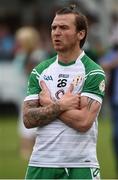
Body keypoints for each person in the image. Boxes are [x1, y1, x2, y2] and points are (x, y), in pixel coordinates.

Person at [23, 5, 106, 179]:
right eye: (54, 27)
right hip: (41, 163)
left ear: (80, 34)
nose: (56, 32)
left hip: (80, 166)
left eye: (64, 27)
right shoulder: (41, 71)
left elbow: (84, 122)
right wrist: (60, 104)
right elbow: (28, 119)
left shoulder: (93, 72)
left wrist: (48, 103)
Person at [13, 26, 47, 160]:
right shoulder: (22, 54)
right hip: (23, 93)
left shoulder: (37, 55)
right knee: (26, 125)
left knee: (29, 125)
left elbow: (36, 73)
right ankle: (28, 153)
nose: (19, 43)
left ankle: (29, 153)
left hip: (35, 95)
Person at [99, 41, 118, 177]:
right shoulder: (114, 52)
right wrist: (113, 63)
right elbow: (101, 65)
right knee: (116, 136)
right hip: (115, 102)